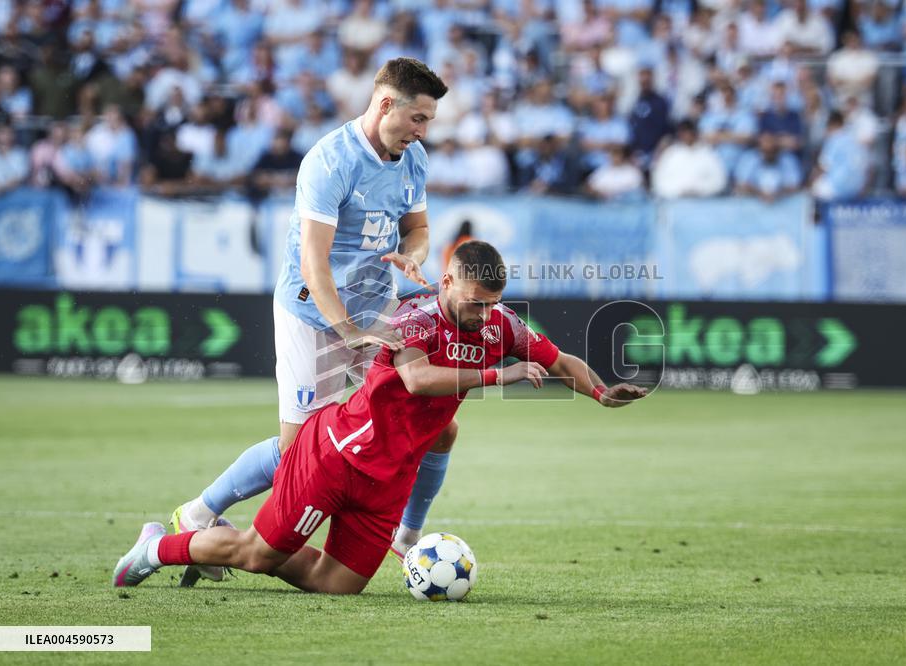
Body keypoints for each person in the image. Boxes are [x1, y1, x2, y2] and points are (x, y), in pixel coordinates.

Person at [114, 241, 649, 593]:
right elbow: (417, 380)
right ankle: (156, 547)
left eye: (491, 304)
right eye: (473, 302)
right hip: (340, 454)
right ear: (445, 284)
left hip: (387, 480)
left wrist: (599, 392)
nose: (483, 313)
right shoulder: (413, 318)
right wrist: (498, 377)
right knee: (256, 555)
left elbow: (559, 359)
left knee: (339, 585)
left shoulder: (500, 326)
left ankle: (233, 540)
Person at [168, 58, 451, 585]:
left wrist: (413, 254)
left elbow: (418, 229)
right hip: (313, 315)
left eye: (429, 121)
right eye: (418, 119)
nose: (423, 131)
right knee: (299, 455)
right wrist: (346, 331)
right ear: (386, 104)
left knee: (437, 425)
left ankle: (407, 538)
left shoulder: (413, 160)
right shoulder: (330, 161)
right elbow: (313, 264)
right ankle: (198, 515)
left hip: (375, 311)